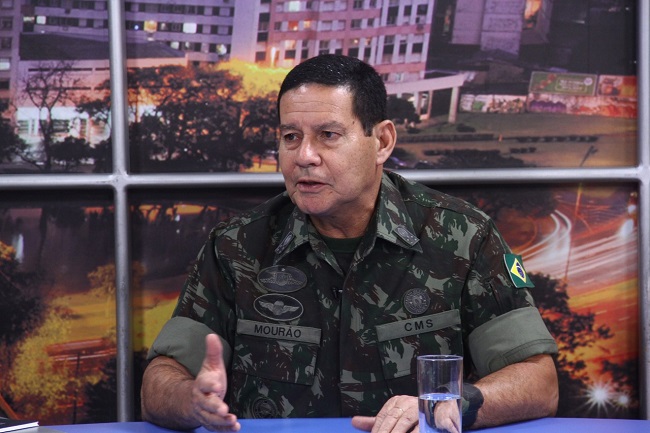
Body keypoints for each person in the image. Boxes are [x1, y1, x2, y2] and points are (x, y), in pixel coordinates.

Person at [141, 54, 559, 432]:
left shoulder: (463, 236)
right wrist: (192, 401)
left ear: (382, 142)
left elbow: (538, 381)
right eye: (290, 136)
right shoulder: (235, 246)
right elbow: (160, 381)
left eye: (328, 134)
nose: (304, 156)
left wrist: (448, 404)